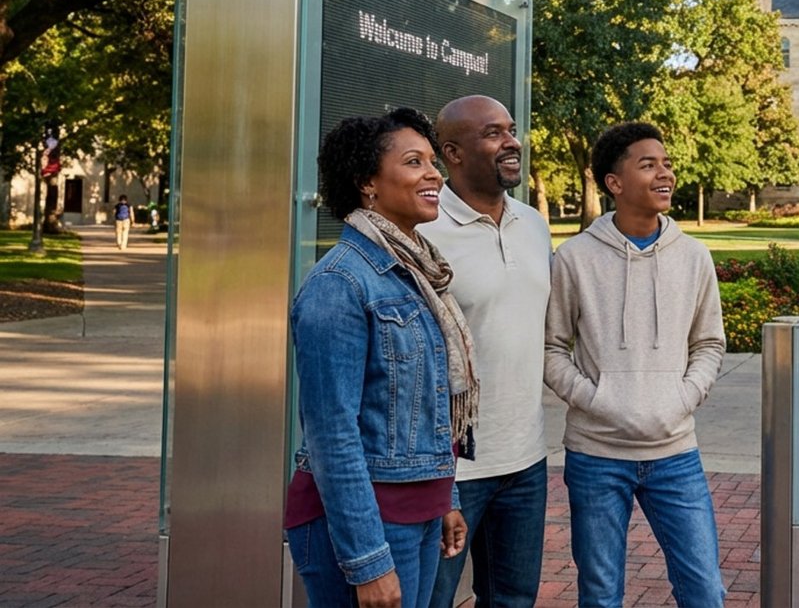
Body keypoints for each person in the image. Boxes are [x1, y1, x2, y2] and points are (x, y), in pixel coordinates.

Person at [285, 108, 475, 608]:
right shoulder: (339, 285)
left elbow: (426, 408)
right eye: (415, 162)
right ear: (367, 182)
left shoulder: (416, 273)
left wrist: (444, 500)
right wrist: (368, 561)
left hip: (419, 513)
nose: (434, 174)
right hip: (364, 526)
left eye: (433, 161)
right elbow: (331, 434)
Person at [545, 122, 727, 607]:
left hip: (675, 454)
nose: (664, 173)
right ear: (614, 183)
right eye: (648, 165)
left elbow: (709, 343)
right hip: (596, 455)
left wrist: (681, 399)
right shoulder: (575, 259)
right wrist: (599, 401)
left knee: (705, 590)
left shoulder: (693, 257)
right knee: (601, 595)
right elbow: (552, 348)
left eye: (666, 163)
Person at [422, 96, 552, 608]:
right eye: (493, 133)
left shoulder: (533, 224)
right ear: (452, 152)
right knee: (430, 599)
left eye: (511, 130)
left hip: (526, 458)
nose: (511, 141)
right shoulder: (425, 230)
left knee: (513, 600)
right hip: (452, 469)